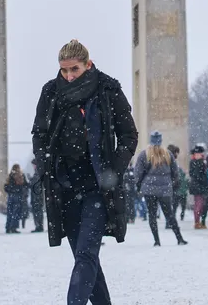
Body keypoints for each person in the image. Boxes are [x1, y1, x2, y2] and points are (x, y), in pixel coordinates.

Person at [31, 39, 137, 305]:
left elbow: (128, 135)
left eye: (74, 69)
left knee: (86, 253)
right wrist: (45, 167)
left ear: (87, 64)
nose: (68, 76)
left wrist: (114, 169)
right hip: (64, 187)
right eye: (64, 70)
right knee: (84, 255)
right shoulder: (50, 92)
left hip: (97, 187)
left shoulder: (108, 89)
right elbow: (39, 134)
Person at [134, 131, 188, 245]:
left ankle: (157, 241)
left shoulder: (144, 154)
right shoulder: (168, 154)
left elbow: (138, 173)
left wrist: (139, 185)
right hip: (165, 189)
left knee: (152, 215)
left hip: (149, 189)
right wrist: (172, 184)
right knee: (169, 214)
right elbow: (175, 172)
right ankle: (179, 238)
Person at [187, 144, 208, 229]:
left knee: (204, 205)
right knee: (199, 204)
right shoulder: (194, 162)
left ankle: (201, 221)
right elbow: (195, 174)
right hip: (197, 186)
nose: (197, 155)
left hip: (203, 186)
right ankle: (197, 222)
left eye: (199, 153)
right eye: (196, 154)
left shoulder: (204, 162)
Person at [4, 164, 29, 234]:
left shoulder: (10, 176)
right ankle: (13, 227)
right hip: (18, 196)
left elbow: (6, 187)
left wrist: (10, 190)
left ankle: (8, 227)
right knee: (16, 213)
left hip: (11, 196)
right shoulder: (21, 176)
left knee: (10, 213)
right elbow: (26, 185)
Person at [168, 145, 189, 222]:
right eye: (176, 153)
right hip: (174, 188)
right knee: (173, 205)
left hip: (173, 187)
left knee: (173, 205)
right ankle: (171, 220)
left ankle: (170, 220)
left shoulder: (172, 163)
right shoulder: (172, 163)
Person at [28, 159, 46, 233]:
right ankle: (39, 226)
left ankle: (39, 226)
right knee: (38, 212)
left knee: (37, 212)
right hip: (38, 196)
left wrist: (30, 181)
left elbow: (35, 185)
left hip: (37, 197)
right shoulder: (38, 172)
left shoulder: (38, 172)